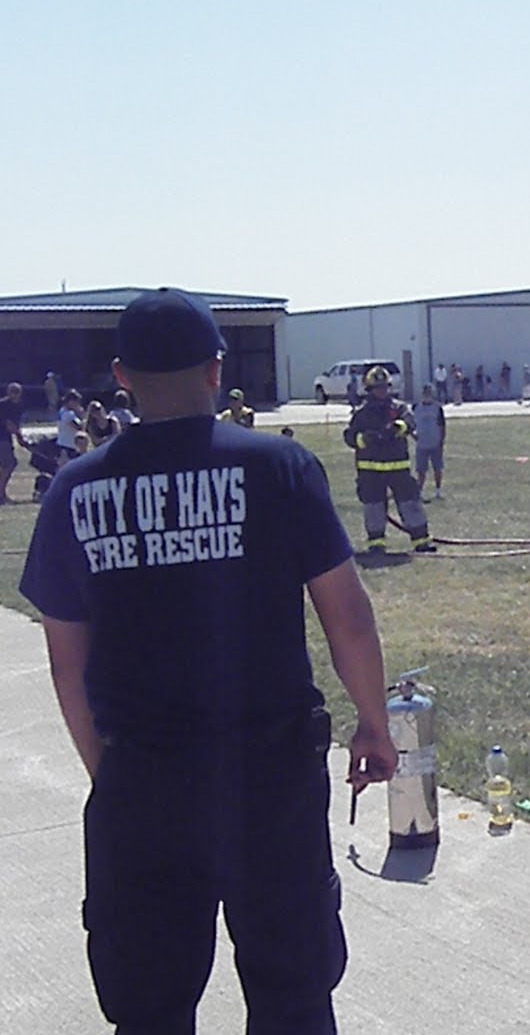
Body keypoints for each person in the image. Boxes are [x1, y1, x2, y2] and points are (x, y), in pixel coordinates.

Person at [18, 286, 398, 1034]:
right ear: (216, 369)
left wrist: (111, 774)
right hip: (270, 778)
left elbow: (67, 662)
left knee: (149, 1007)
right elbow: (347, 615)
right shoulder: (280, 467)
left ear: (122, 376)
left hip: (144, 780)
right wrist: (374, 724)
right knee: (293, 996)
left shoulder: (75, 489)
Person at [343, 365, 434, 554]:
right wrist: (363, 439)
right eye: (378, 388)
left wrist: (398, 427)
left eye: (385, 387)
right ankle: (376, 544)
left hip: (398, 468)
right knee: (374, 507)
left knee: (410, 503)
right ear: (369, 390)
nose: (382, 391)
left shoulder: (399, 408)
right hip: (370, 470)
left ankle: (421, 541)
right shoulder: (361, 413)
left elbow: (410, 421)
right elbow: (349, 436)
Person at [413, 383, 447, 500]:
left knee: (437, 468)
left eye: (429, 393)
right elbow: (411, 423)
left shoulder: (438, 408)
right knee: (421, 470)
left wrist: (441, 440)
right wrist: (414, 436)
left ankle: (438, 491)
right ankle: (419, 492)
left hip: (435, 443)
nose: (427, 395)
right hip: (421, 444)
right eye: (425, 393)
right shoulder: (416, 407)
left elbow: (442, 425)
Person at [0, 381, 24, 502]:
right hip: (1, 438)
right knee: (8, 464)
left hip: (7, 439)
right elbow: (9, 424)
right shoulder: (3, 405)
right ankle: (1, 494)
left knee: (11, 464)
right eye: (12, 392)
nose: (14, 395)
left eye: (17, 392)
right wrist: (19, 436)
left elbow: (16, 424)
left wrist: (20, 438)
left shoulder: (19, 406)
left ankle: (2, 492)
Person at [56, 389, 86, 460]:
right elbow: (80, 427)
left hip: (64, 443)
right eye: (77, 402)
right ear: (71, 401)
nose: (78, 404)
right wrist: (83, 415)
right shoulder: (68, 414)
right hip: (68, 446)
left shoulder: (62, 410)